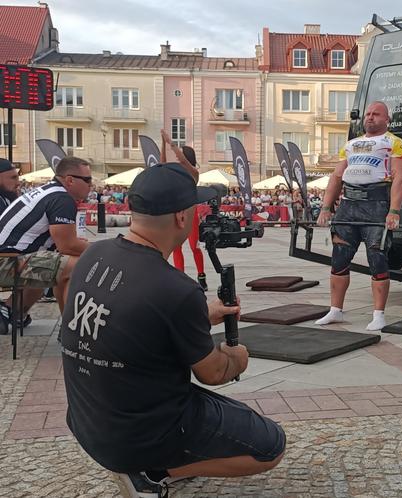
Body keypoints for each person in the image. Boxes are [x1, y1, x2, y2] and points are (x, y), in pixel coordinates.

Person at [61, 162, 286, 498]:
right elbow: (213, 373)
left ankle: (149, 461)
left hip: (87, 422)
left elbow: (127, 318)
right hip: (136, 435)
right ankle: (151, 472)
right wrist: (238, 356)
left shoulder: (94, 254)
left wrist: (199, 315)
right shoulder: (175, 288)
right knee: (270, 446)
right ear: (182, 217)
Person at [315, 101, 402, 331]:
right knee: (339, 258)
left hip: (376, 204)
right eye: (367, 114)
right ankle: (335, 310)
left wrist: (394, 211)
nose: (370, 117)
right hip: (348, 206)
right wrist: (326, 208)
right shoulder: (350, 145)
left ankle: (378, 314)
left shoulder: (395, 144)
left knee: (377, 258)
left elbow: (399, 179)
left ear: (387, 119)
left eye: (376, 114)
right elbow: (336, 177)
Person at [0, 157, 91, 333]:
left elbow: (65, 246)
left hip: (9, 258)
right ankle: (71, 331)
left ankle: (10, 311)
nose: (91, 184)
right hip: (6, 262)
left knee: (54, 264)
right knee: (75, 266)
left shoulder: (49, 191)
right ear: (70, 180)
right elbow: (68, 246)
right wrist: (104, 250)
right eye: (87, 180)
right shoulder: (61, 199)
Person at [161, 130, 208, 291]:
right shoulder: (176, 173)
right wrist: (162, 143)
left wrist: (171, 143)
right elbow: (162, 165)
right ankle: (179, 277)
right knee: (176, 248)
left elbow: (182, 160)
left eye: (181, 158)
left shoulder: (194, 174)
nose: (178, 160)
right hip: (176, 213)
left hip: (191, 213)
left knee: (194, 246)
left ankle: (201, 276)